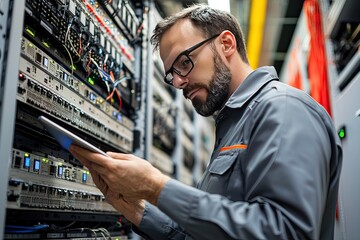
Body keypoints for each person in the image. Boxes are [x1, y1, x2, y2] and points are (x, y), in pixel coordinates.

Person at [70, 4, 342, 240]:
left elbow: (284, 232)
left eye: (184, 63)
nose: (177, 82)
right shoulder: (232, 125)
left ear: (226, 44)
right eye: (171, 75)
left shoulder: (282, 109)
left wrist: (157, 187)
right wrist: (138, 210)